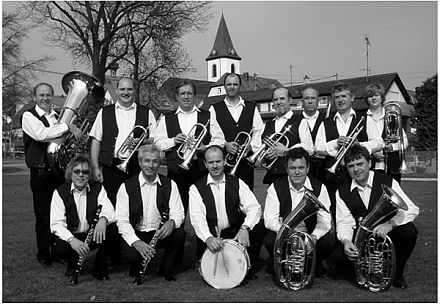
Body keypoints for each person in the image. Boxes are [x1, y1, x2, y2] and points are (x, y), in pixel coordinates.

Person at [89, 77, 156, 264]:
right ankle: (111, 253)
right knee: (111, 208)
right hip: (112, 166)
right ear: (117, 91)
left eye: (130, 89)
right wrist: (95, 167)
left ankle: (131, 251)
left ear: (134, 91)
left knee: (134, 208)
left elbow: (154, 140)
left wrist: (142, 142)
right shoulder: (105, 112)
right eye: (123, 89)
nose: (126, 92)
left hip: (136, 166)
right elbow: (96, 140)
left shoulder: (146, 112)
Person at [334, 144, 419, 289]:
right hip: (361, 235)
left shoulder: (387, 181)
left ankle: (397, 274)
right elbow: (344, 222)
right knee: (337, 256)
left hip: (386, 232)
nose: (356, 169)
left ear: (370, 163)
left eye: (360, 163)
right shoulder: (342, 191)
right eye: (351, 166)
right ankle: (363, 267)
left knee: (409, 232)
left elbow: (411, 209)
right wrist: (346, 241)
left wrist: (391, 224)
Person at [22, 82, 82, 267]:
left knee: (60, 215)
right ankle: (43, 254)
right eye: (41, 95)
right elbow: (41, 134)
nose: (45, 98)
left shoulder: (56, 116)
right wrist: (67, 128)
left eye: (48, 95)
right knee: (43, 216)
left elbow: (63, 143)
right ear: (35, 97)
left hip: (58, 173)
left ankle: (58, 252)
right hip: (40, 173)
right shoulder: (28, 116)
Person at [189, 145, 265, 280]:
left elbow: (254, 208)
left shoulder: (237, 182)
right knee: (213, 271)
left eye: (218, 161)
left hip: (234, 232)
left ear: (224, 161)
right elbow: (197, 218)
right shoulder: (196, 188)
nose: (215, 166)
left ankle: (249, 266)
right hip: (211, 236)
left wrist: (244, 228)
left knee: (258, 226)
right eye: (211, 162)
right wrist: (208, 238)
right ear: (205, 164)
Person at [115, 144, 186, 281]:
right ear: (140, 162)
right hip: (137, 233)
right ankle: (135, 266)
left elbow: (179, 212)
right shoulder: (126, 187)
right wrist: (136, 242)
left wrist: (172, 222)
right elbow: (122, 220)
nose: (151, 165)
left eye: (155, 161)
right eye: (147, 161)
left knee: (179, 233)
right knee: (132, 256)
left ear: (159, 163)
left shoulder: (170, 184)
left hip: (159, 233)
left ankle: (165, 267)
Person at [315, 83, 383, 223]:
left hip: (359, 173)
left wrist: (360, 145)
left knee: (361, 210)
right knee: (336, 212)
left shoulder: (365, 119)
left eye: (344, 96)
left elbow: (378, 142)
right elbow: (318, 147)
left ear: (352, 98)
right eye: (337, 97)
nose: (340, 100)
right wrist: (335, 143)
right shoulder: (326, 122)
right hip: (334, 176)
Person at [263, 147, 334, 276]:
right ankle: (283, 265)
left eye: (301, 168)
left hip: (309, 234)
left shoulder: (319, 187)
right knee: (270, 239)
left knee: (328, 241)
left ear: (307, 168)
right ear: (286, 169)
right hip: (286, 233)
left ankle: (312, 266)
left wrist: (313, 238)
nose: (297, 172)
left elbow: (325, 220)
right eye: (292, 168)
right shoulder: (276, 186)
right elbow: (269, 219)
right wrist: (289, 234)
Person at [155, 80, 222, 213]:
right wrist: (173, 141)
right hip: (176, 171)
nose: (186, 97)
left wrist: (206, 147)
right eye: (182, 93)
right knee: (177, 210)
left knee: (206, 208)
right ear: (177, 96)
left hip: (201, 170)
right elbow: (157, 144)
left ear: (195, 96)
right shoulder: (166, 118)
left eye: (189, 93)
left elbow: (220, 140)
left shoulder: (207, 115)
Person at [50, 154, 117, 280]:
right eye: (77, 171)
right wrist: (72, 240)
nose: (81, 175)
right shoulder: (59, 192)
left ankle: (100, 269)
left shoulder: (98, 188)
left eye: (85, 172)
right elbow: (56, 224)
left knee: (111, 230)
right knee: (61, 247)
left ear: (89, 174)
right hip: (71, 237)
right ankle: (71, 264)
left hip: (91, 234)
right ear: (71, 173)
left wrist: (103, 220)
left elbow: (109, 210)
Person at [208, 72, 264, 190]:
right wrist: (225, 145)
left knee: (247, 198)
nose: (232, 87)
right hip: (224, 164)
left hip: (245, 164)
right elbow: (213, 134)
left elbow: (258, 131)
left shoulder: (251, 107)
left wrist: (251, 146)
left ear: (240, 86)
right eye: (229, 84)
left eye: (235, 84)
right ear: (224, 86)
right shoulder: (214, 108)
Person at [260, 87, 314, 185]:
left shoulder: (300, 121)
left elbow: (309, 149)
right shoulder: (267, 125)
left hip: (294, 177)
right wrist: (265, 156)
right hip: (272, 177)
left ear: (290, 100)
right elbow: (260, 153)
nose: (279, 102)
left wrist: (286, 151)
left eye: (282, 98)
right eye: (276, 99)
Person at [364, 83, 408, 183]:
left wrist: (392, 147)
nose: (373, 98)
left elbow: (404, 141)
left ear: (382, 97)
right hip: (370, 166)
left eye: (376, 95)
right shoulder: (362, 119)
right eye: (370, 96)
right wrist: (372, 151)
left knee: (392, 196)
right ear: (366, 99)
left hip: (393, 166)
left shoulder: (392, 117)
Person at [300, 87, 327, 180]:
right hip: (302, 166)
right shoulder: (295, 121)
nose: (310, 101)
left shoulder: (328, 120)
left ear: (318, 100)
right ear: (302, 101)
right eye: (307, 98)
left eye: (313, 98)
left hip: (323, 167)